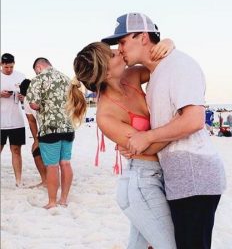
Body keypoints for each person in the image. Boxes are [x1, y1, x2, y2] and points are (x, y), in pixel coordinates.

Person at [102, 12, 226, 249]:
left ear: (143, 37)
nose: (120, 49)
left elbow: (194, 120)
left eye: (123, 41)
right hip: (176, 178)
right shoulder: (157, 72)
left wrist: (146, 138)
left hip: (195, 176)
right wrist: (138, 145)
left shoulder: (179, 65)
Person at [67, 40, 177, 248]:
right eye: (112, 54)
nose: (119, 51)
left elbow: (164, 66)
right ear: (106, 74)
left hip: (158, 177)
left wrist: (169, 44)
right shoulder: (106, 115)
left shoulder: (132, 75)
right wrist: (181, 126)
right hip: (141, 184)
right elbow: (149, 150)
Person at [26, 58, 74, 209]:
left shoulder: (38, 79)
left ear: (39, 67)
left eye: (36, 70)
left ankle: (52, 201)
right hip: (68, 127)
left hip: (49, 128)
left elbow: (33, 104)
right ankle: (64, 199)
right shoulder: (66, 78)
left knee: (52, 166)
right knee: (65, 163)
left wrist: (41, 106)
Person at [1, 53, 26, 187]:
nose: (9, 69)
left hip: (17, 120)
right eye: (6, 67)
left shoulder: (20, 76)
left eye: (11, 67)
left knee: (16, 150)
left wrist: (23, 97)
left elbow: (29, 95)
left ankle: (19, 181)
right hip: (1, 121)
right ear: (1, 64)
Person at [19, 79, 47, 188]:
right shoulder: (26, 101)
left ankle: (52, 180)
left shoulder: (43, 97)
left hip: (53, 128)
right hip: (42, 131)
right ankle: (45, 180)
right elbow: (31, 121)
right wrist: (36, 139)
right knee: (35, 150)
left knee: (49, 154)